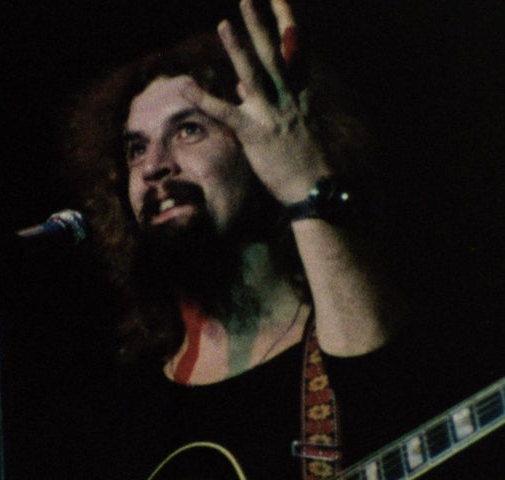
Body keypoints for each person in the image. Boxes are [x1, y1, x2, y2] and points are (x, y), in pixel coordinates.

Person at [58, 0, 500, 478]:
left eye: (188, 130)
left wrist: (303, 181)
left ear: (260, 147)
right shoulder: (119, 411)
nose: (153, 166)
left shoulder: (359, 322)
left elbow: (388, 404)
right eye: (136, 147)